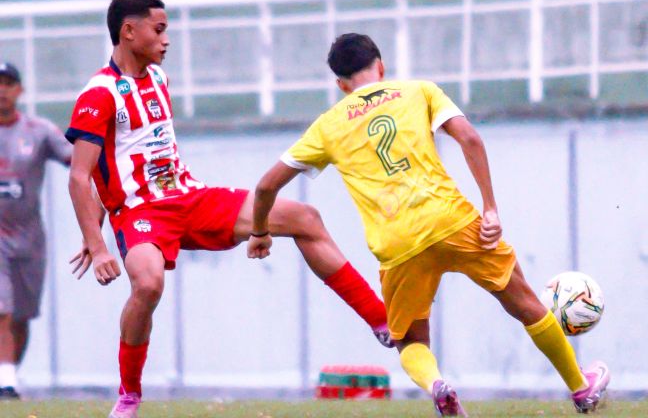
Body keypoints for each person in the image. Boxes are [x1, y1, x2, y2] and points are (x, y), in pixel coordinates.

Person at [247, 33, 610, 416]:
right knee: (524, 303)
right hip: (451, 219)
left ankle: (437, 384)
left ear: (341, 85)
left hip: (396, 242)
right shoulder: (419, 91)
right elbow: (468, 137)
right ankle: (580, 388)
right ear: (381, 66)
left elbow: (266, 186)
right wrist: (490, 208)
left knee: (410, 341)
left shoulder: (326, 126)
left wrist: (259, 232)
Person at [66, 0, 389, 418]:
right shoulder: (99, 93)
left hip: (190, 197)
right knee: (147, 284)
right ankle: (129, 395)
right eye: (159, 30)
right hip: (141, 213)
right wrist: (98, 240)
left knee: (305, 218)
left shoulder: (159, 79)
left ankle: (381, 320)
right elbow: (81, 175)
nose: (166, 40)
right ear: (129, 31)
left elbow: (124, 155)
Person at [0, 62, 72, 399]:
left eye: (8, 83)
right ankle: (6, 381)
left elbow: (76, 160)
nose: (2, 90)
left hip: (28, 238)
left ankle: (8, 374)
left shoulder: (38, 131)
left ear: (20, 90)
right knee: (2, 306)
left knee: (21, 316)